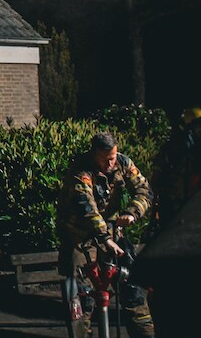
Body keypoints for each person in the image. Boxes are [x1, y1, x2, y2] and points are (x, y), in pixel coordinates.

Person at [57, 132, 154, 338]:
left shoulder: (122, 162)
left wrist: (132, 213)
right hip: (81, 238)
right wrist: (105, 238)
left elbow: (144, 190)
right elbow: (87, 209)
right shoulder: (80, 171)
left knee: (134, 288)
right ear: (94, 155)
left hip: (111, 234)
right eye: (106, 159)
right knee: (82, 299)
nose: (111, 163)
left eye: (113, 157)